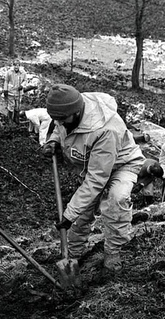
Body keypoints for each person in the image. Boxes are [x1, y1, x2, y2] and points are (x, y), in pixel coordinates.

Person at [41, 84, 145, 273]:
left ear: (77, 111)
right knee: (82, 212)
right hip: (93, 165)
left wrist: (68, 215)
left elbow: (97, 179)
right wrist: (53, 140)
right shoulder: (68, 109)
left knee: (116, 200)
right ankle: (72, 256)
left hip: (122, 164)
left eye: (63, 119)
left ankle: (113, 252)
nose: (61, 123)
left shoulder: (106, 129)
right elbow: (59, 126)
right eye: (58, 119)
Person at [3, 60, 26, 124]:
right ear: (13, 65)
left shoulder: (23, 72)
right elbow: (6, 81)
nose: (16, 67)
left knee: (17, 106)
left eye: (17, 65)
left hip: (19, 93)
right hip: (11, 92)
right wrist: (5, 89)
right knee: (11, 106)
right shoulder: (9, 72)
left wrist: (22, 85)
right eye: (15, 65)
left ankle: (16, 118)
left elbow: (25, 80)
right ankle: (10, 118)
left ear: (19, 66)